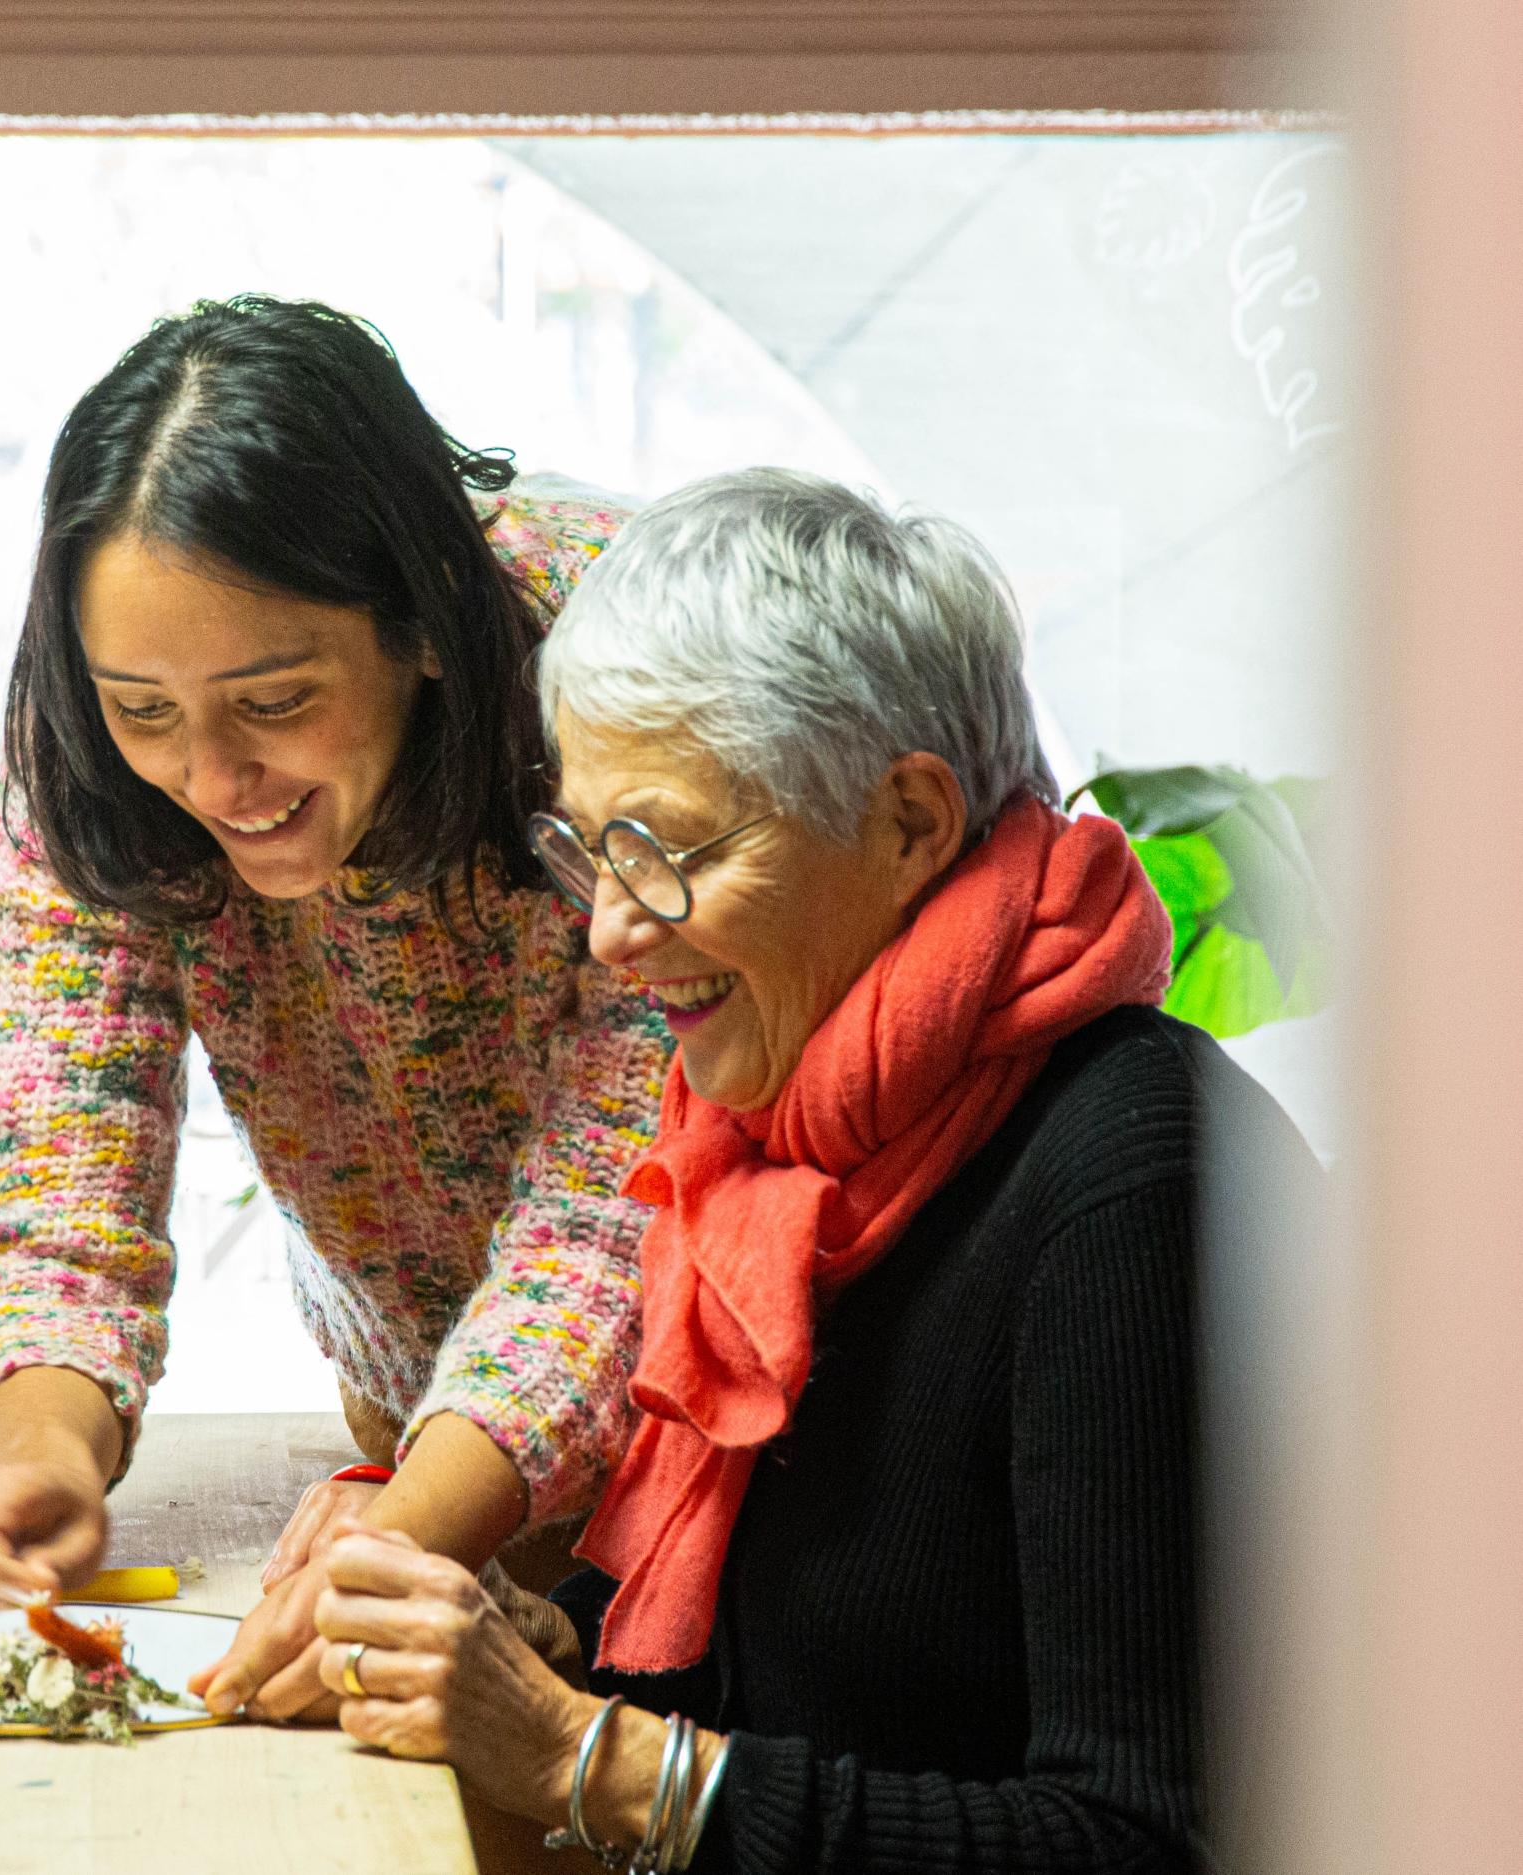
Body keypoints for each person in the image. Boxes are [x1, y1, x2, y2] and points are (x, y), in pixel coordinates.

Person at [311, 468, 1313, 1869]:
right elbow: (826, 1693)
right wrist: (554, 1658)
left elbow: (1136, 1843)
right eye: (589, 854)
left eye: (663, 852)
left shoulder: (1141, 1182)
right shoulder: (780, 1144)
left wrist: (577, 1753)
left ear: (908, 821)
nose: (610, 933)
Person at [0, 296, 671, 1718]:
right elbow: (55, 1177)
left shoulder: (626, 681)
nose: (211, 775)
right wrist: (40, 1465)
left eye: (272, 699)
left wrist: (408, 1524)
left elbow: (620, 1211)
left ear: (424, 616)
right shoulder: (80, 778)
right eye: (144, 709)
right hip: (422, 1423)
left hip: (750, 1444)